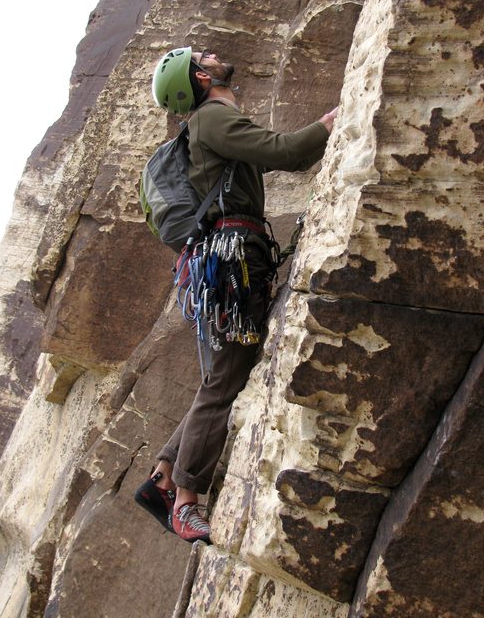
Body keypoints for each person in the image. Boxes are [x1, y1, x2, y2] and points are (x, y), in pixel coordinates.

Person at [135, 47, 338, 544]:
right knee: (225, 378)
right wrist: (334, 121)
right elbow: (287, 152)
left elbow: (268, 155)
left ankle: (164, 474)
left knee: (226, 369)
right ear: (201, 77)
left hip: (230, 257)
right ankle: (185, 501)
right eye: (205, 57)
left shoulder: (210, 126)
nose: (216, 55)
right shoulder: (212, 119)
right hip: (234, 260)